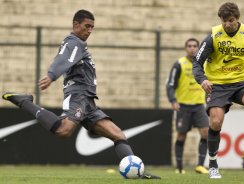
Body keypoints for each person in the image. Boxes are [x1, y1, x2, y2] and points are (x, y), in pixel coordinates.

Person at [2, 9, 160, 179]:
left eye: (92, 27)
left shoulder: (77, 44)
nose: (90, 30)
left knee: (118, 135)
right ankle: (25, 102)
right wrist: (51, 75)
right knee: (63, 131)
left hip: (89, 102)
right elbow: (63, 59)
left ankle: (139, 172)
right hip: (78, 95)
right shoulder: (74, 42)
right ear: (75, 24)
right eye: (87, 26)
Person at [192, 2, 244, 179]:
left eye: (230, 20)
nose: (227, 24)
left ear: (237, 19)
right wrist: (203, 80)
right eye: (224, 21)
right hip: (218, 86)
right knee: (215, 122)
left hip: (241, 83)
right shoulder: (213, 36)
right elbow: (197, 63)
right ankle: (213, 164)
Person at [166, 38, 209, 174]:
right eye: (189, 46)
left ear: (198, 48)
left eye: (195, 46)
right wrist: (173, 100)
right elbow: (170, 84)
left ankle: (200, 166)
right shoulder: (179, 64)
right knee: (181, 136)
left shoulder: (204, 64)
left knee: (206, 133)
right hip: (183, 106)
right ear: (186, 48)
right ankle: (179, 168)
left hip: (199, 106)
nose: (192, 48)